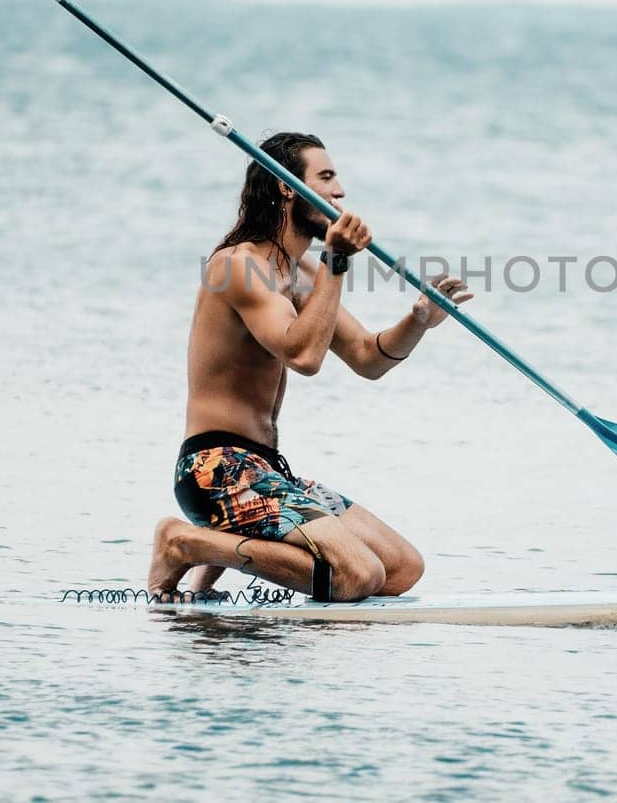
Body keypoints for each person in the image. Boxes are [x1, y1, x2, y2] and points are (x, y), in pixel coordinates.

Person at [147, 132, 472, 602]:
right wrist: (337, 263)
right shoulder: (239, 267)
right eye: (325, 177)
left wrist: (418, 321)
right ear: (285, 187)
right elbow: (302, 356)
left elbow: (367, 357)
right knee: (357, 574)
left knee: (401, 569)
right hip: (215, 470)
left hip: (267, 471)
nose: (340, 192)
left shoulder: (303, 275)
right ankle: (185, 543)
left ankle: (216, 553)